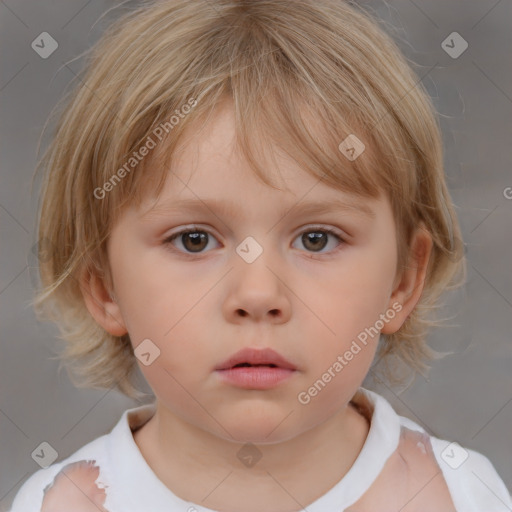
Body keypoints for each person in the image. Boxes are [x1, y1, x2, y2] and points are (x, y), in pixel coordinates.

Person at [10, 0, 511, 510]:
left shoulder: (460, 493)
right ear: (102, 284)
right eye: (194, 240)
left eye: (317, 238)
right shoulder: (60, 503)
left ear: (403, 280)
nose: (257, 295)